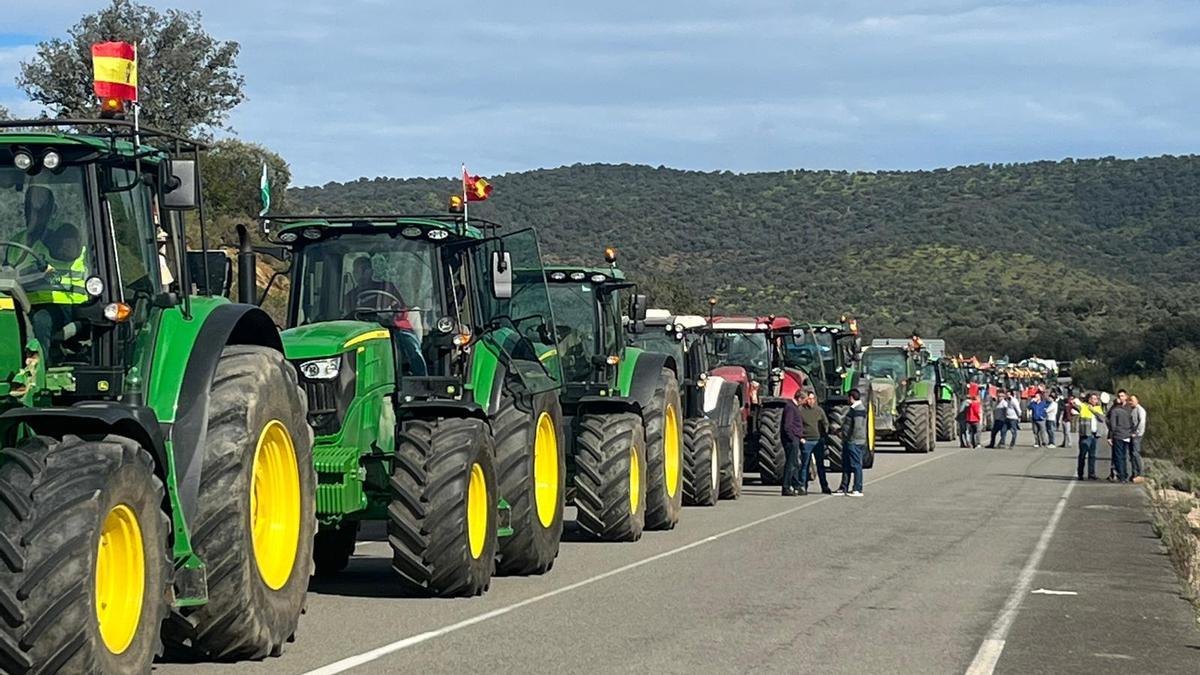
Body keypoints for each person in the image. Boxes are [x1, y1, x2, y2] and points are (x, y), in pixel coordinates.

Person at [26, 222, 89, 353]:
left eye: (70, 244)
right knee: (42, 321)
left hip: (79, 309)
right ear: (55, 244)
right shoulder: (40, 258)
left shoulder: (88, 259)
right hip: (49, 307)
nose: (66, 248)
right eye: (63, 244)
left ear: (78, 244)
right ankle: (42, 361)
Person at [833, 389, 867, 497]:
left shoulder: (858, 410)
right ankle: (843, 487)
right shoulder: (853, 409)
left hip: (854, 442)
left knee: (856, 465)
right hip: (849, 441)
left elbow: (857, 427)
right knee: (846, 465)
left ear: (851, 397)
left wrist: (849, 438)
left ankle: (857, 488)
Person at [798, 392, 831, 495]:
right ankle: (802, 486)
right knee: (805, 465)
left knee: (820, 465)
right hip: (806, 441)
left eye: (813, 399)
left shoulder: (819, 410)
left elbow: (825, 423)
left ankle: (824, 486)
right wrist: (801, 437)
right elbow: (797, 425)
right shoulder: (800, 411)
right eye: (809, 399)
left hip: (818, 441)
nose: (811, 401)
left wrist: (825, 434)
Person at [780, 390, 806, 496]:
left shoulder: (793, 407)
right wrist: (793, 438)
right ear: (799, 398)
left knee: (795, 463)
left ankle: (797, 485)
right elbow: (788, 425)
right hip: (791, 440)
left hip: (795, 439)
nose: (803, 403)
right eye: (803, 400)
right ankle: (786, 487)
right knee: (790, 464)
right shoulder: (790, 408)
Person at [1106, 390, 1134, 483]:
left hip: (1119, 435)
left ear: (1126, 396)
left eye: (1122, 396)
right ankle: (1123, 474)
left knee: (1119, 456)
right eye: (1119, 396)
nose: (1120, 398)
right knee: (1123, 456)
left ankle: (1122, 475)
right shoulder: (1127, 410)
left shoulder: (1117, 410)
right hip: (1126, 435)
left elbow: (1112, 425)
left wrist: (1110, 436)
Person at [1075, 393, 1103, 480]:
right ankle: (1080, 474)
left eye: (1096, 399)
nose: (1094, 400)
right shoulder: (1083, 406)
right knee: (1082, 455)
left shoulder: (1098, 408)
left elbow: (1102, 418)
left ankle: (1091, 474)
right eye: (1092, 398)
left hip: (1095, 435)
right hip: (1085, 434)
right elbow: (1075, 403)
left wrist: (1093, 411)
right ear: (1089, 399)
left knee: (1092, 456)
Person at [1130, 395, 1146, 481]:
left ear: (1137, 401)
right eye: (1130, 400)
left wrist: (1137, 433)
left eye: (1132, 400)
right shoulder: (1133, 410)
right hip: (1133, 434)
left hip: (1137, 435)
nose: (1130, 402)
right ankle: (1134, 473)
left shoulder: (1140, 410)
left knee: (1136, 453)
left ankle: (1141, 474)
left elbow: (1142, 422)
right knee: (1132, 454)